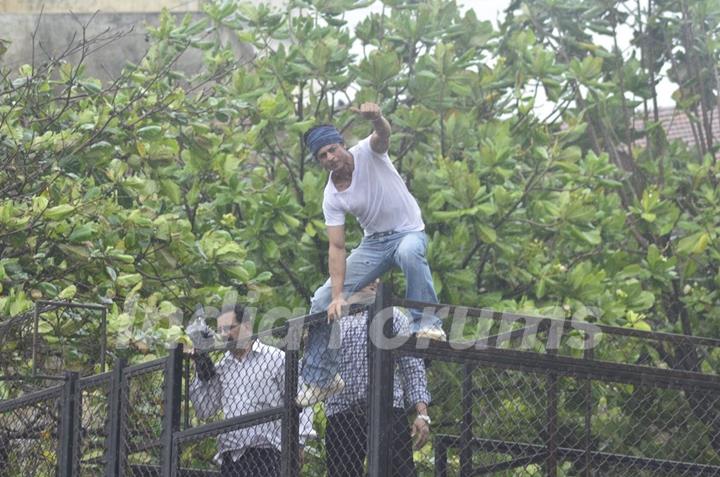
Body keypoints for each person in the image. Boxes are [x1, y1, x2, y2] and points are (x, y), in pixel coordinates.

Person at [298, 102, 445, 406]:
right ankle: (322, 378)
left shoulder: (368, 151)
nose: (329, 158)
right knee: (322, 300)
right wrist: (339, 295)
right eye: (322, 156)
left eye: (331, 150)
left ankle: (427, 323)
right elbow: (337, 247)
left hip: (407, 231)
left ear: (341, 145)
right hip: (374, 244)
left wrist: (377, 117)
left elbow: (383, 135)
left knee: (408, 253)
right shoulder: (332, 195)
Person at [188, 304, 315, 477]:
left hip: (270, 453)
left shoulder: (276, 359)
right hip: (233, 457)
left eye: (230, 328)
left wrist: (298, 444)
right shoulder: (222, 368)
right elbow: (205, 410)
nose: (225, 334)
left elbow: (303, 400)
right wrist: (201, 365)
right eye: (221, 330)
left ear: (247, 326)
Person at [324, 282, 431, 477]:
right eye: (370, 274)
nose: (375, 281)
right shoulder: (334, 318)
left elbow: (412, 367)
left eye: (378, 276)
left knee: (400, 472)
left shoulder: (393, 316)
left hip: (388, 411)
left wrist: (422, 414)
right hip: (342, 412)